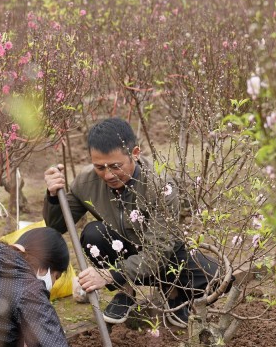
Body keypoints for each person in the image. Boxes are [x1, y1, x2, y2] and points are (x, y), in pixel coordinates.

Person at [43, 117, 218, 325]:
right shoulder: (86, 182)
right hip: (124, 251)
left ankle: (173, 293)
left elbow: (159, 252)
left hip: (165, 255)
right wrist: (53, 197)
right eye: (99, 167)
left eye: (116, 166)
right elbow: (57, 226)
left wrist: (110, 274)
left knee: (215, 279)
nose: (108, 175)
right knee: (93, 234)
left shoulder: (160, 185)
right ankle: (124, 293)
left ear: (135, 153)